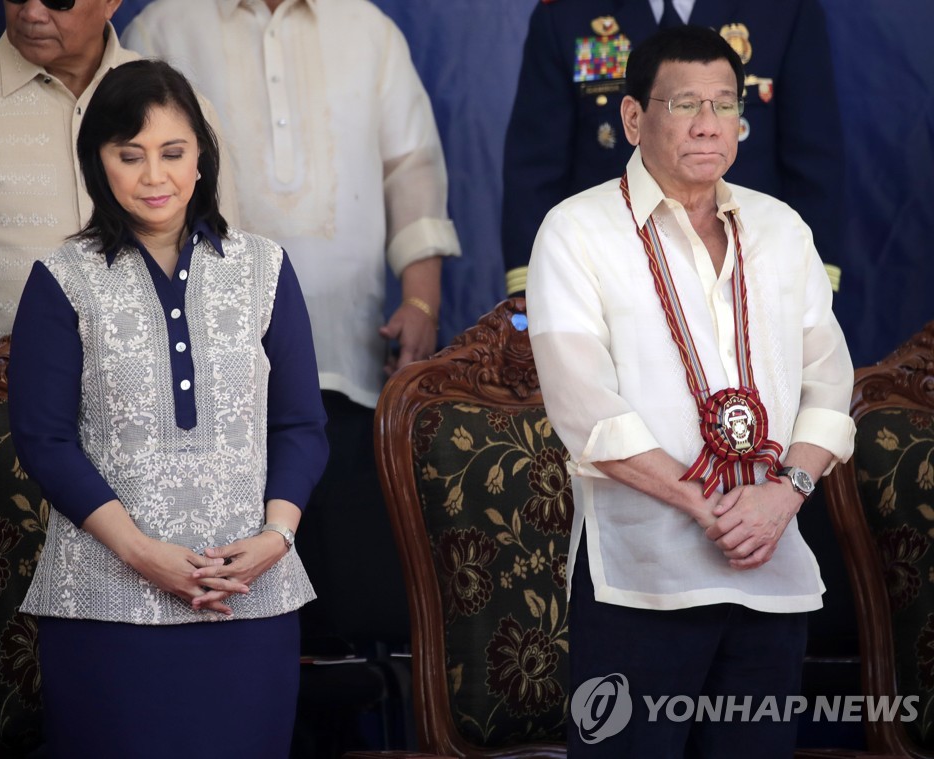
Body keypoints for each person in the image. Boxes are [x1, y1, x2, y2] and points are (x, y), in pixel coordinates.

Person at [526, 25, 855, 757]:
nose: (710, 123)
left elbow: (831, 385)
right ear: (634, 118)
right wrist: (710, 504)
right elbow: (586, 411)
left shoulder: (783, 229)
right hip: (642, 584)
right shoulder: (576, 230)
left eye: (725, 102)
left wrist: (785, 492)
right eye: (684, 103)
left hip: (770, 570)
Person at [121, 0, 461, 664]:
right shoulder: (163, 28)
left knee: (347, 607)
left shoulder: (368, 30)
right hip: (212, 385)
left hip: (353, 365)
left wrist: (421, 301)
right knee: (231, 604)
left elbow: (412, 168)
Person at [8, 59, 327, 757]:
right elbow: (44, 439)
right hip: (106, 601)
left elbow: (302, 424)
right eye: (130, 155)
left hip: (252, 595)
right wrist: (141, 553)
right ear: (99, 163)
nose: (154, 177)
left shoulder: (263, 267)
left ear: (202, 157)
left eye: (173, 152)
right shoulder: (61, 279)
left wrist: (275, 537)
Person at [0, 0, 239, 396]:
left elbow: (220, 276)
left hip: (138, 431)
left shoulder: (182, 111)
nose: (31, 13)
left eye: (59, 0)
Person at [502, 0, 844, 298]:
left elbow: (814, 159)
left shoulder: (783, 10)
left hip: (749, 272)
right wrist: (530, 287)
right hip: (609, 278)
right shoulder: (568, 14)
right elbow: (535, 168)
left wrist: (815, 277)